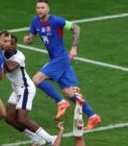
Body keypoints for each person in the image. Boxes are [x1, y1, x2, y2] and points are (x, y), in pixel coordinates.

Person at [23, 0, 101, 129]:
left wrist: (74, 48)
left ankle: (61, 103)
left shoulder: (56, 21)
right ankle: (93, 117)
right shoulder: (34, 21)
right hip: (57, 59)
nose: (39, 10)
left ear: (48, 9)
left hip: (60, 58)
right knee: (69, 93)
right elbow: (32, 38)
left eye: (42, 7)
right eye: (38, 8)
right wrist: (28, 39)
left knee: (36, 80)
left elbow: (76, 27)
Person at [4, 35, 56, 146]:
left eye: (13, 44)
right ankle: (37, 139)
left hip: (26, 88)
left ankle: (50, 139)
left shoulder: (19, 56)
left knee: (21, 118)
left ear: (16, 45)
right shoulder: (2, 53)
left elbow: (10, 68)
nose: (10, 46)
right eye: (8, 43)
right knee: (8, 118)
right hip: (17, 89)